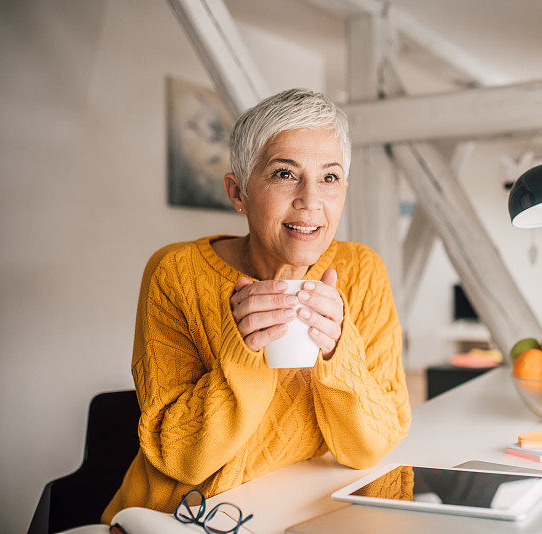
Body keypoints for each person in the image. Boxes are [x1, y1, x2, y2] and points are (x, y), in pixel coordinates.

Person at [102, 89, 411, 523]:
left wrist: (341, 350)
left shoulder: (360, 271)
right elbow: (180, 459)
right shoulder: (175, 273)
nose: (310, 200)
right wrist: (242, 356)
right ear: (238, 192)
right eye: (285, 174)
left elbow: (372, 447)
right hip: (171, 518)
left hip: (297, 513)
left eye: (329, 177)